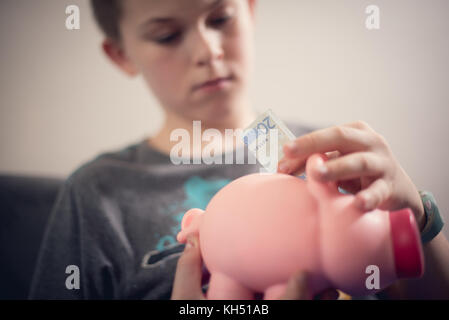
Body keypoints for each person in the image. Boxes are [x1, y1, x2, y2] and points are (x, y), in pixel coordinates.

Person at [29, 0, 449, 300]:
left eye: (220, 17)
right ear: (122, 55)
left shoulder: (337, 156)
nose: (208, 51)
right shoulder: (98, 193)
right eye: (168, 35)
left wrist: (419, 219)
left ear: (250, 9)